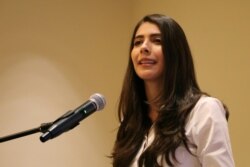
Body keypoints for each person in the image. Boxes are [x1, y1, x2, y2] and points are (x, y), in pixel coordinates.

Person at [111, 14, 235, 167]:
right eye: (138, 42)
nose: (143, 47)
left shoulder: (204, 110)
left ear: (176, 53)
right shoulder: (131, 122)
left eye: (157, 41)